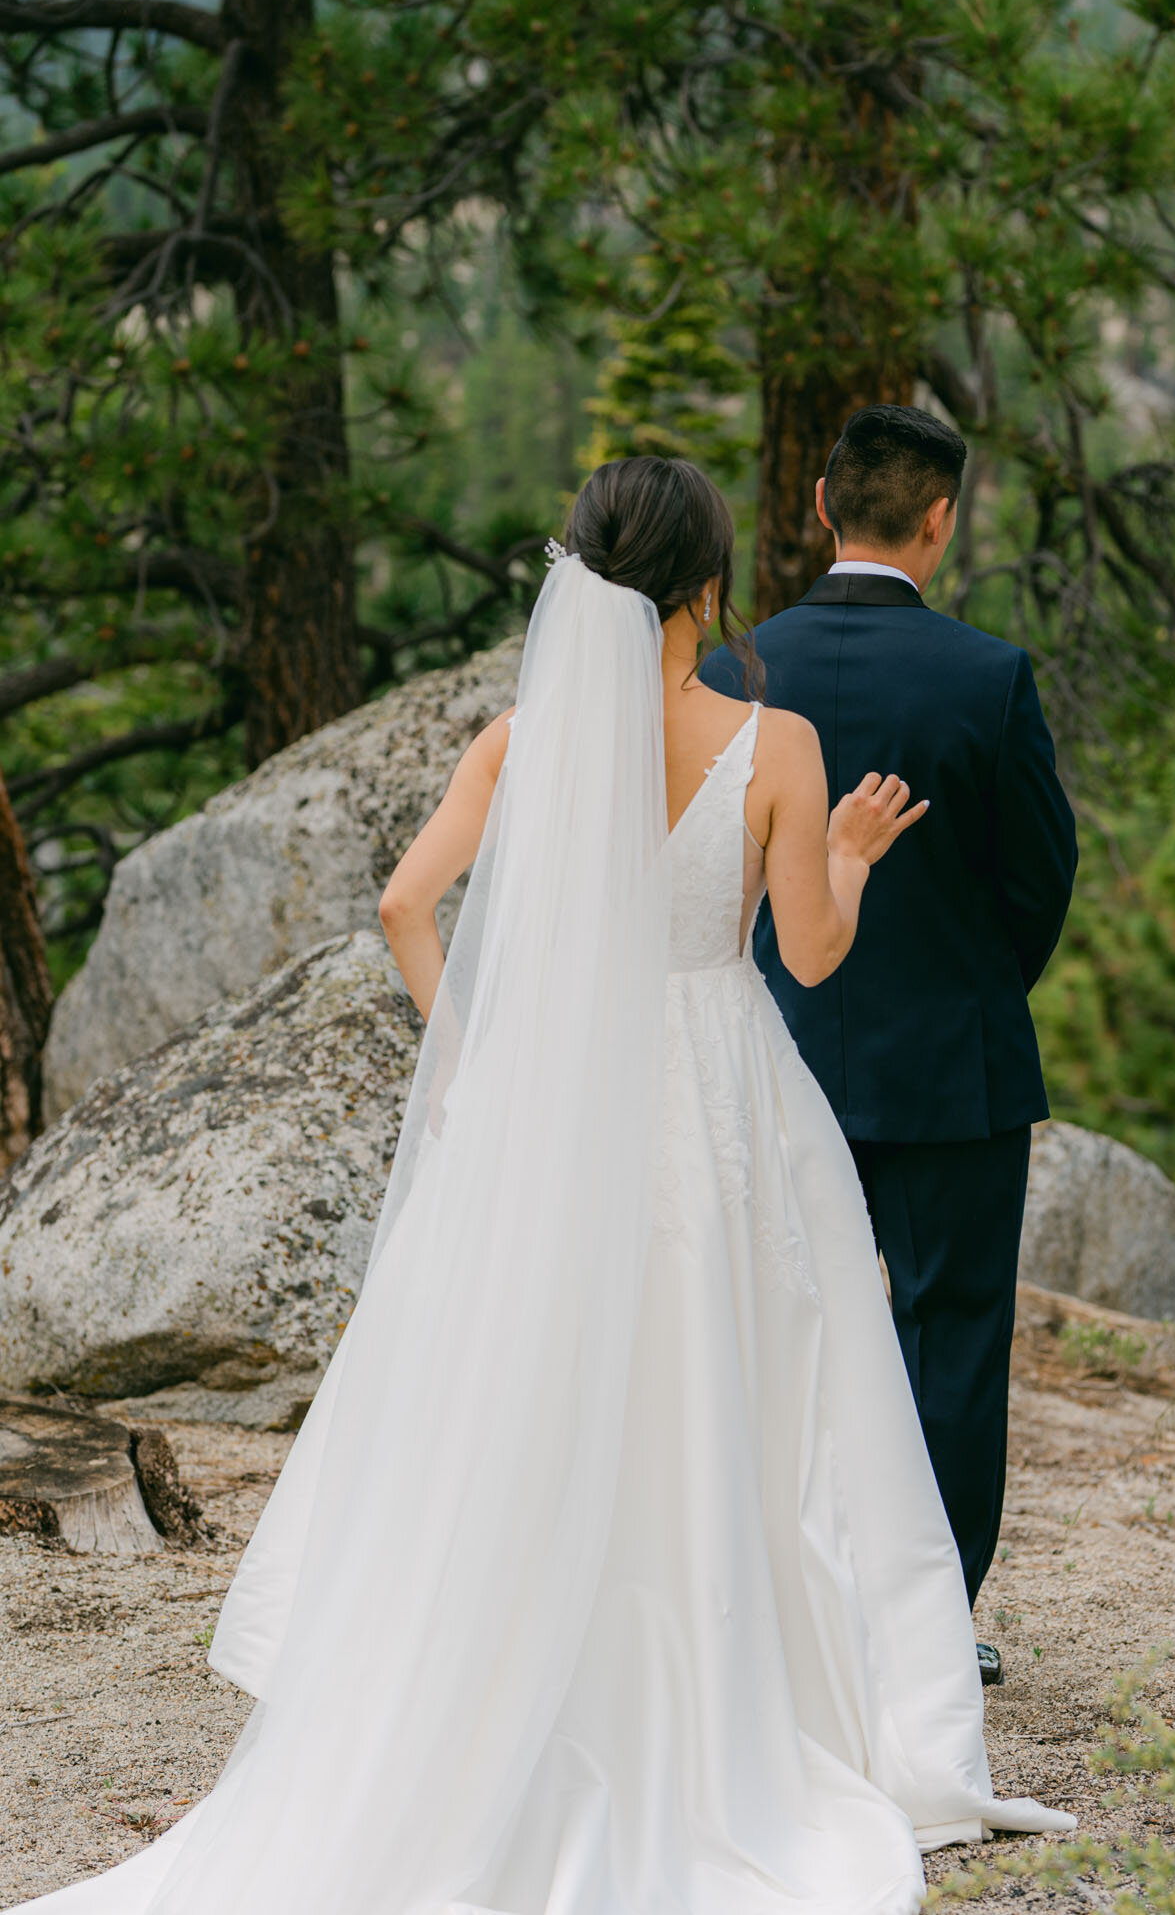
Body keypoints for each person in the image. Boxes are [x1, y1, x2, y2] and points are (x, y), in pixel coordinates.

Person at [15, 456, 1071, 1915]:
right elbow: (813, 956)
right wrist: (847, 853)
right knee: (743, 1383)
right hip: (719, 1091)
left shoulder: (522, 742)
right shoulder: (776, 744)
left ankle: (519, 1671)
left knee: (541, 1382)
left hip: (562, 1088)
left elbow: (404, 903)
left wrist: (476, 1050)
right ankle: (741, 1683)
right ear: (707, 582)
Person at [701, 406, 1078, 1671]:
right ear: (940, 519)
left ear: (819, 505)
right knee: (953, 1339)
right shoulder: (989, 675)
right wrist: (972, 986)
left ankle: (771, 1612)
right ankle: (927, 1629)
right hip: (953, 1071)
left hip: (763, 1050)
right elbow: (1040, 879)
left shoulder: (731, 673)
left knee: (767, 1331)